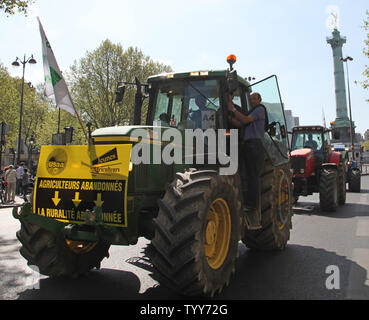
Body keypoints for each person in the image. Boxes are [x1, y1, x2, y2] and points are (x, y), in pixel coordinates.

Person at [228, 92, 267, 230]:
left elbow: (245, 120)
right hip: (248, 145)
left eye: (254, 98)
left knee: (253, 176)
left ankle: (253, 205)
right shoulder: (252, 111)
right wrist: (228, 116)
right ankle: (246, 200)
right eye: (250, 99)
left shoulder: (259, 110)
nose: (252, 101)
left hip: (254, 145)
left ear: (260, 99)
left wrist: (232, 108)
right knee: (246, 175)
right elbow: (239, 123)